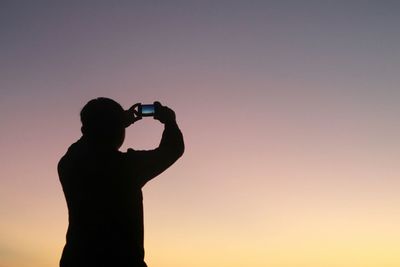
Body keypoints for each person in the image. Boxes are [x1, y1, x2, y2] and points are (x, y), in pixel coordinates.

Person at [58, 98, 184, 267]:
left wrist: (116, 123)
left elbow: (84, 140)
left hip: (77, 260)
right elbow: (172, 149)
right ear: (117, 130)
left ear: (85, 129)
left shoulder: (68, 164)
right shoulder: (126, 167)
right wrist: (170, 120)